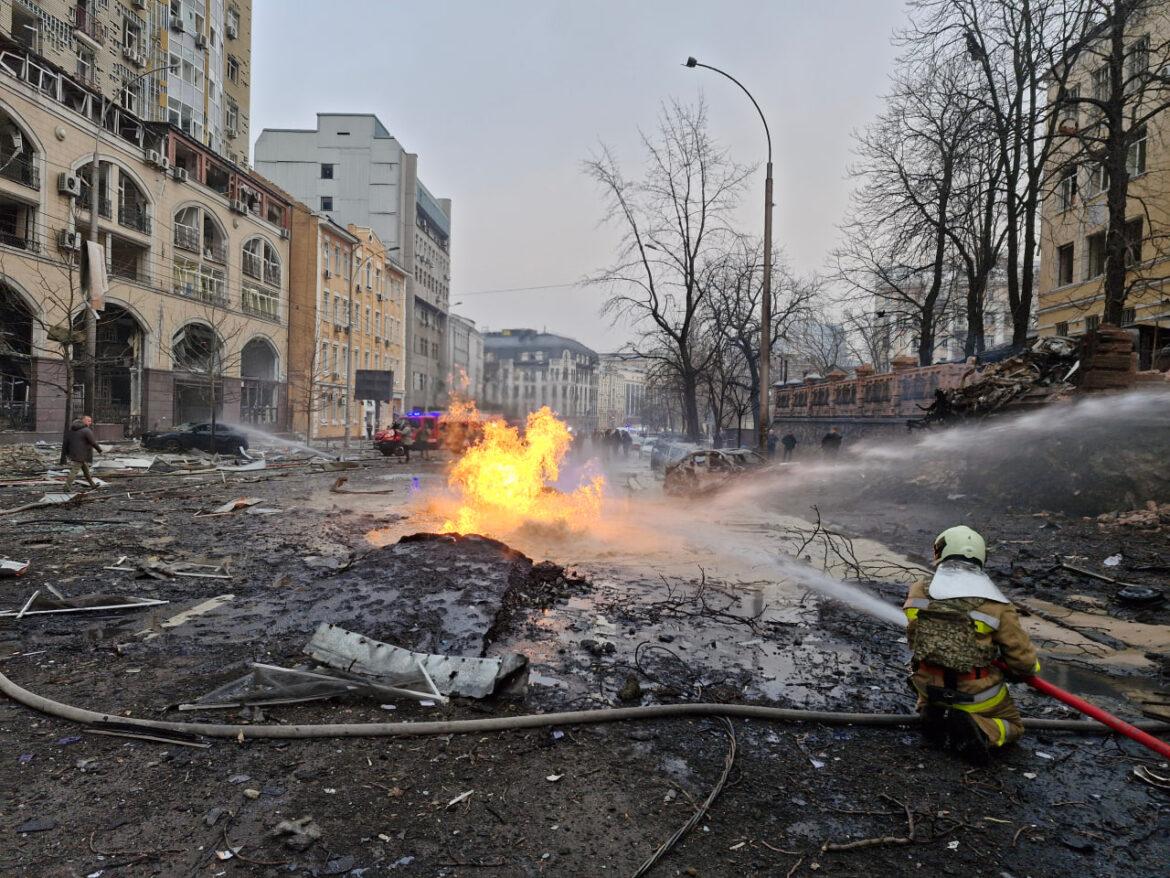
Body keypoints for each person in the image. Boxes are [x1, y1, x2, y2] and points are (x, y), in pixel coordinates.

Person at [903, 526, 1041, 765]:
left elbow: (917, 632)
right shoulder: (998, 606)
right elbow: (1024, 663)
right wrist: (1022, 670)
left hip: (927, 688)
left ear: (940, 553)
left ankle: (930, 711)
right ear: (980, 556)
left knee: (929, 671)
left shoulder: (918, 589)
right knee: (1014, 726)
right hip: (974, 695)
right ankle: (982, 727)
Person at [61, 415, 103, 490]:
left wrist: (66, 453)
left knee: (86, 471)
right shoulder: (86, 430)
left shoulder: (72, 429)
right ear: (83, 421)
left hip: (75, 453)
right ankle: (66, 487)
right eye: (88, 421)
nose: (90, 422)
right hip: (81, 454)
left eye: (90, 421)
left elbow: (66, 442)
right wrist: (100, 450)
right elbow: (93, 442)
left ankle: (92, 485)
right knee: (74, 471)